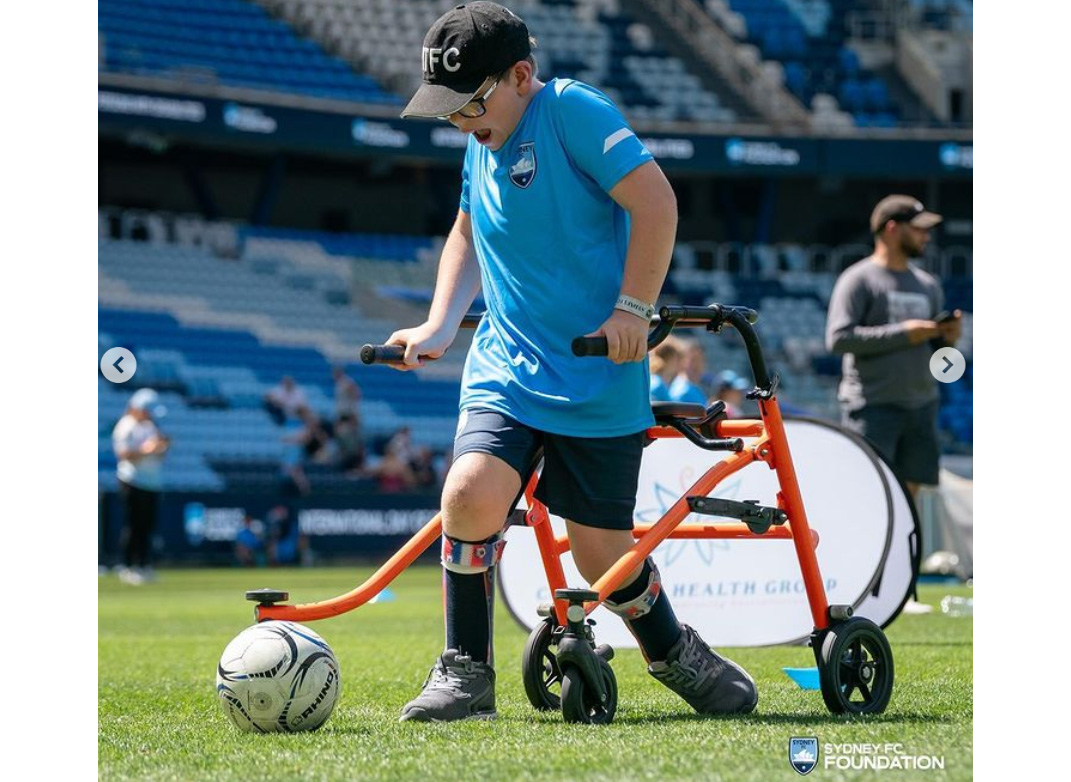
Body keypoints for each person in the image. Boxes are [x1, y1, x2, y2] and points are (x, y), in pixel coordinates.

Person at [389, 2, 756, 722]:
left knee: (603, 559)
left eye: (468, 105)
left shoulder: (571, 111)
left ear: (520, 76)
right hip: (506, 363)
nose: (459, 124)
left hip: (595, 372)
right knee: (467, 494)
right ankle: (466, 672)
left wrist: (632, 309)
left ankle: (670, 650)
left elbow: (656, 205)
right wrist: (437, 324)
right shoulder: (482, 136)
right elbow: (466, 228)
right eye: (448, 111)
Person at [826, 195, 962, 500]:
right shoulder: (858, 279)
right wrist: (905, 332)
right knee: (869, 494)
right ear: (891, 228)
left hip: (921, 406)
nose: (926, 236)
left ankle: (904, 550)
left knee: (909, 500)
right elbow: (838, 339)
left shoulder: (928, 284)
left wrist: (949, 339)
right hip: (873, 406)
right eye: (918, 229)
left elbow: (940, 356)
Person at [111, 388, 170, 585]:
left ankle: (144, 565)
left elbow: (158, 453)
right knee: (134, 526)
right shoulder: (125, 426)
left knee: (147, 527)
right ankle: (128, 566)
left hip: (152, 483)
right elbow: (124, 454)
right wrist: (146, 450)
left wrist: (162, 447)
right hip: (132, 481)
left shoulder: (150, 426)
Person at [669, 338, 709, 405]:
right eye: (693, 360)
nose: (698, 365)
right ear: (681, 362)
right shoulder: (682, 391)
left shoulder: (694, 388)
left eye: (701, 360)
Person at [648, 336, 682, 402]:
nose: (679, 363)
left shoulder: (655, 380)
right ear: (670, 359)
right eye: (677, 358)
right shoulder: (658, 384)